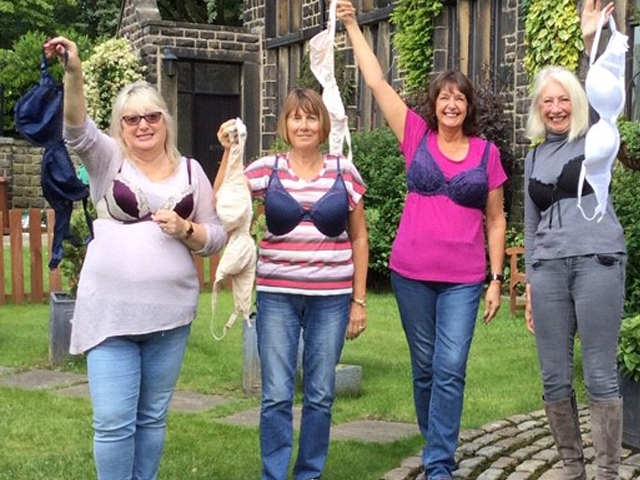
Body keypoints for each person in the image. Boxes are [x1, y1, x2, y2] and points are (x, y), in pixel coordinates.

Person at [336, 2, 507, 479]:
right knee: (426, 366)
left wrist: (496, 279)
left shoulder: (487, 154)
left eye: (460, 98)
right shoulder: (414, 135)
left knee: (451, 366)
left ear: (468, 107)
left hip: (464, 280)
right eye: (444, 97)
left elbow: (496, 220)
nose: (451, 104)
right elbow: (376, 83)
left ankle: (437, 464)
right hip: (411, 274)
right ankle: (436, 445)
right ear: (433, 104)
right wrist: (351, 24)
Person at [43, 37, 227, 480]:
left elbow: (216, 235)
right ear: (120, 127)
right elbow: (76, 130)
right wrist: (74, 73)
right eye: (131, 119)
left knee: (151, 419)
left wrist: (188, 230)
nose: (143, 125)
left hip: (169, 317)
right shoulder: (109, 161)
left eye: (151, 116)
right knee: (111, 422)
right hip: (110, 314)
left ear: (165, 120)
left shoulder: (192, 172)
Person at [215, 88, 368, 480]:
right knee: (276, 395)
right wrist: (229, 152)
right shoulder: (268, 168)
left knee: (320, 395)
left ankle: (309, 474)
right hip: (277, 296)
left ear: (323, 125)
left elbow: (359, 239)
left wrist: (359, 301)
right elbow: (222, 199)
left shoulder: (344, 171)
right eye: (296, 118)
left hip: (331, 300)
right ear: (284, 125)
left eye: (311, 117)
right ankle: (274, 474)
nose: (304, 125)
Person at [523, 1, 626, 478]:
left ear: (576, 103)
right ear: (538, 108)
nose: (557, 107)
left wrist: (591, 43)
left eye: (565, 99)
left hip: (597, 262)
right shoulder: (532, 158)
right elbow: (529, 223)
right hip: (547, 269)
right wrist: (527, 283)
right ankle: (572, 466)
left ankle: (606, 472)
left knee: (600, 372)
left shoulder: (596, 140)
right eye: (549, 100)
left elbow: (606, 94)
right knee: (552, 374)